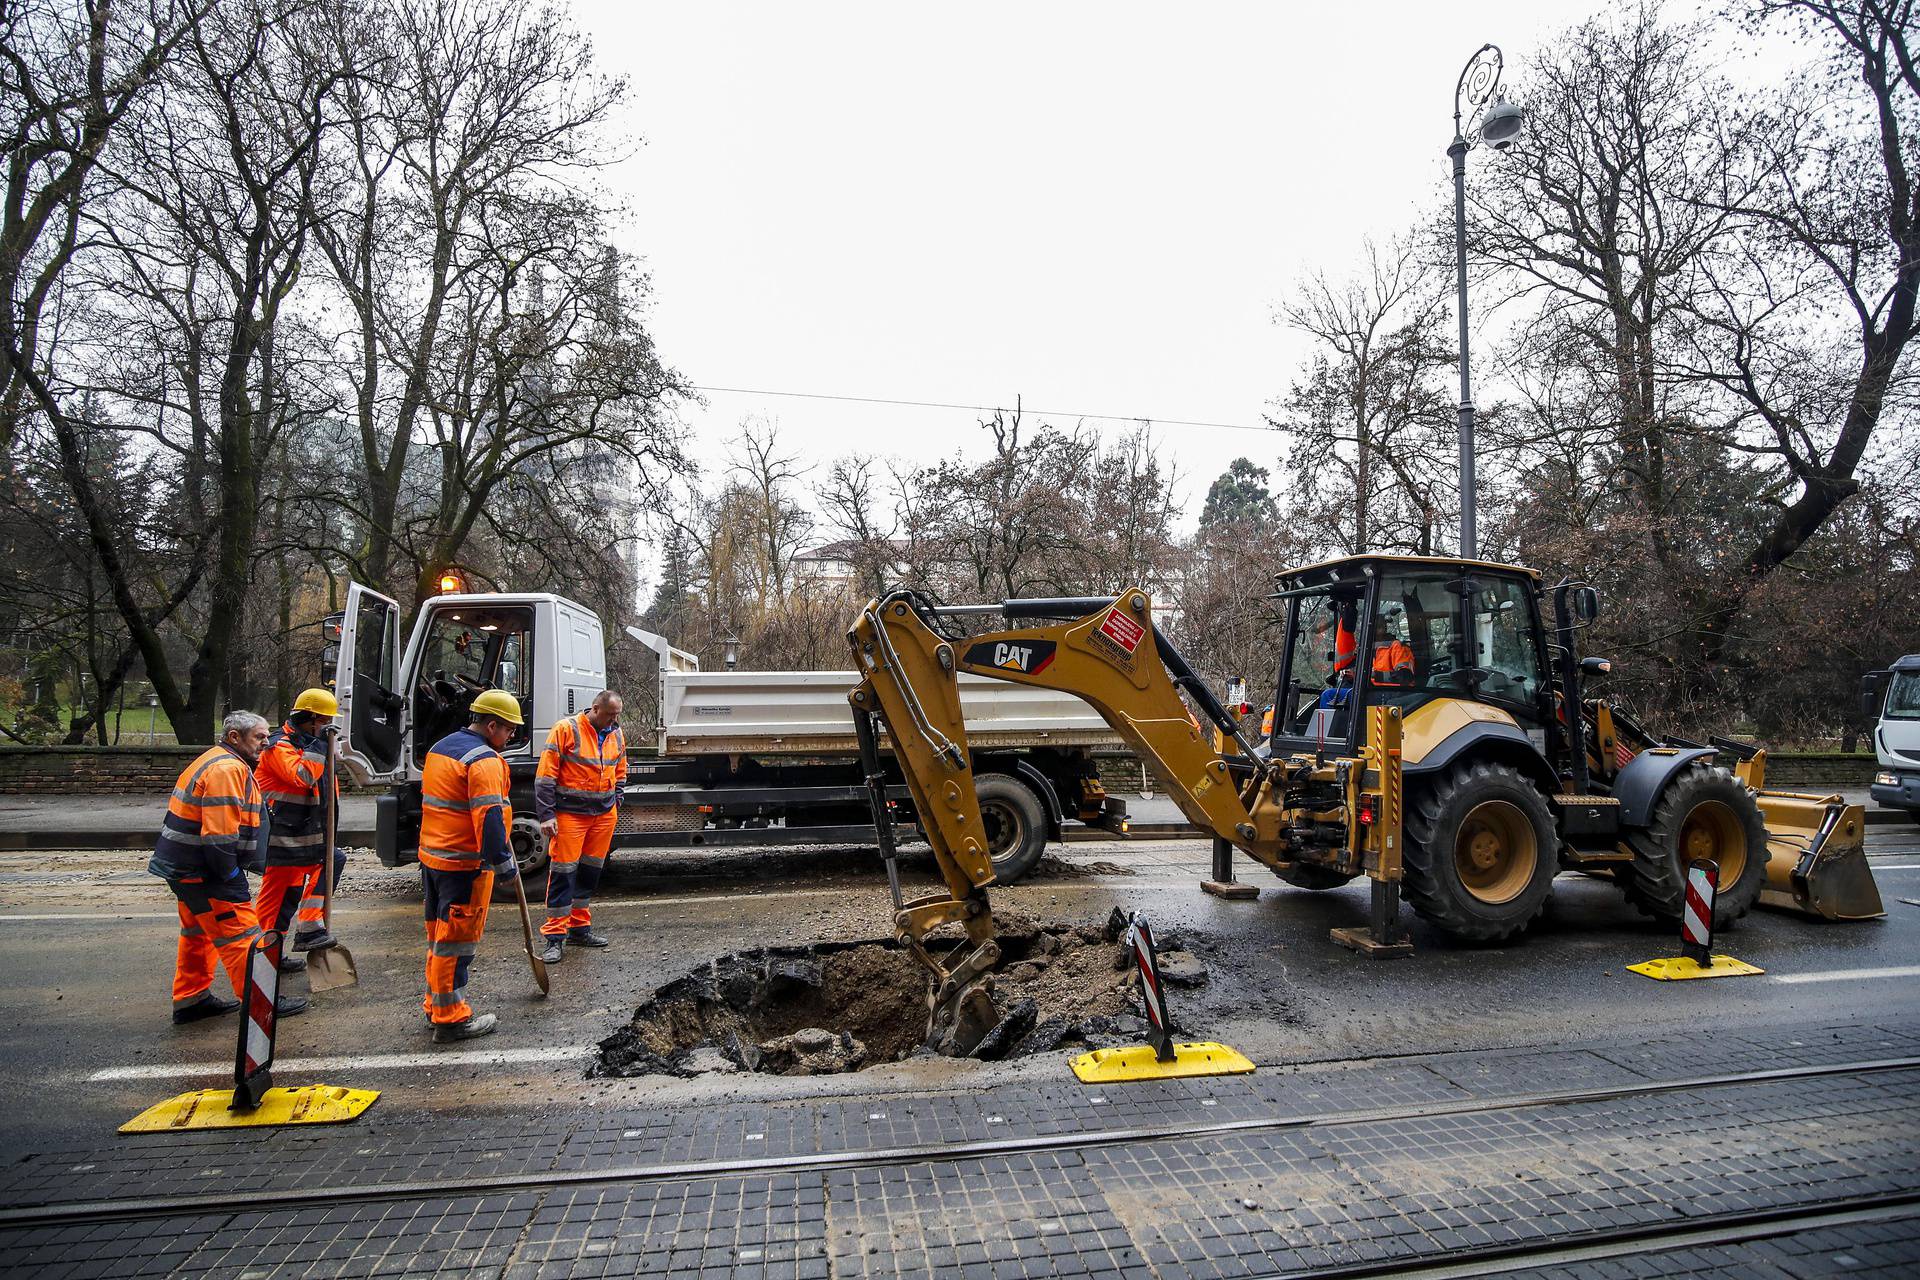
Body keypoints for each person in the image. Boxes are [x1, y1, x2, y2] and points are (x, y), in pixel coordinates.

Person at [150, 710, 308, 1023]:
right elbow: (220, 835)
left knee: (198, 933)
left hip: (186, 867)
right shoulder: (227, 769)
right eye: (259, 737)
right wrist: (230, 875)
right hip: (206, 870)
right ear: (235, 737)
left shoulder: (218, 760)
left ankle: (191, 999)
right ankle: (262, 1002)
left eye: (266, 736)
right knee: (242, 936)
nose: (266, 743)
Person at [418, 689, 523, 1042]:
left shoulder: (440, 748)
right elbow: (489, 818)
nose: (510, 737)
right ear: (491, 725)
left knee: (439, 938)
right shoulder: (484, 761)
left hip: (434, 858)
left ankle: (436, 1004)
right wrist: (504, 864)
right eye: (508, 730)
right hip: (464, 864)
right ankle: (450, 1019)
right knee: (457, 943)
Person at [254, 688, 348, 974]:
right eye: (323, 721)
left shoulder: (308, 743)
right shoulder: (278, 746)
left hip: (299, 835)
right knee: (277, 900)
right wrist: (319, 745)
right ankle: (275, 947)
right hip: (281, 837)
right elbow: (303, 777)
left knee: (284, 898)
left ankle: (271, 953)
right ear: (309, 719)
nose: (328, 727)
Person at [534, 689, 627, 964]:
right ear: (595, 709)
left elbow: (620, 769)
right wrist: (547, 815)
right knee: (563, 873)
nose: (614, 720)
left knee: (589, 874)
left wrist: (616, 800)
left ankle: (579, 928)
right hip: (570, 815)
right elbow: (545, 776)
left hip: (602, 815)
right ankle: (554, 936)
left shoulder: (615, 733)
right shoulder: (566, 730)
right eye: (610, 715)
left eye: (617, 715)